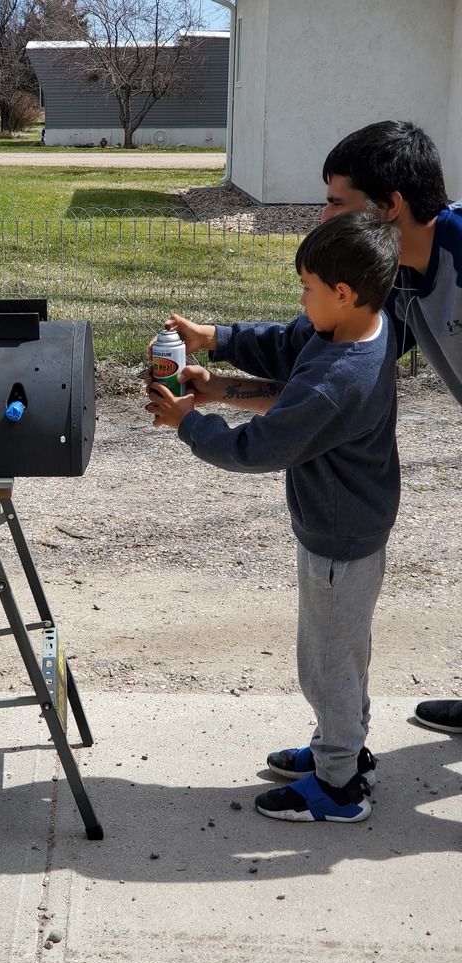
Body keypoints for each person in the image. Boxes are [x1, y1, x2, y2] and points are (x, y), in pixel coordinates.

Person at [145, 211, 401, 822]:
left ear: (343, 293)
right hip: (353, 524)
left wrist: (189, 422)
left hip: (338, 539)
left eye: (307, 289)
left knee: (328, 663)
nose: (301, 301)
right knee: (343, 652)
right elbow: (290, 369)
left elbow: (258, 448)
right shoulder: (362, 330)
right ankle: (344, 748)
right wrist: (218, 377)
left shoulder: (340, 379)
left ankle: (339, 786)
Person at [320, 120, 462, 733]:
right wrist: (220, 350)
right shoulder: (398, 270)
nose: (325, 218)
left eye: (338, 203)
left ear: (391, 205)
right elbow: (337, 354)